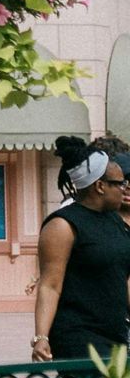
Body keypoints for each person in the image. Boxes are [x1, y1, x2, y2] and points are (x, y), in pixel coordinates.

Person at [33, 137, 130, 361]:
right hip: (77, 336)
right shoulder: (62, 225)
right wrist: (41, 337)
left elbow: (123, 277)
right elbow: (50, 285)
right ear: (100, 186)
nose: (125, 189)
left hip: (115, 336)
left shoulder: (114, 222)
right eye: (120, 183)